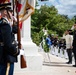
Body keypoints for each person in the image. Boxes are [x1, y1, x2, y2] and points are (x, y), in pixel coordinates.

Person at [0, 3, 20, 75]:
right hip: (6, 57)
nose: (12, 14)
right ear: (5, 12)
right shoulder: (5, 25)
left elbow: (14, 31)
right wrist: (17, 51)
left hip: (5, 56)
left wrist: (15, 23)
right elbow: (8, 44)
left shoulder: (5, 24)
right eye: (11, 12)